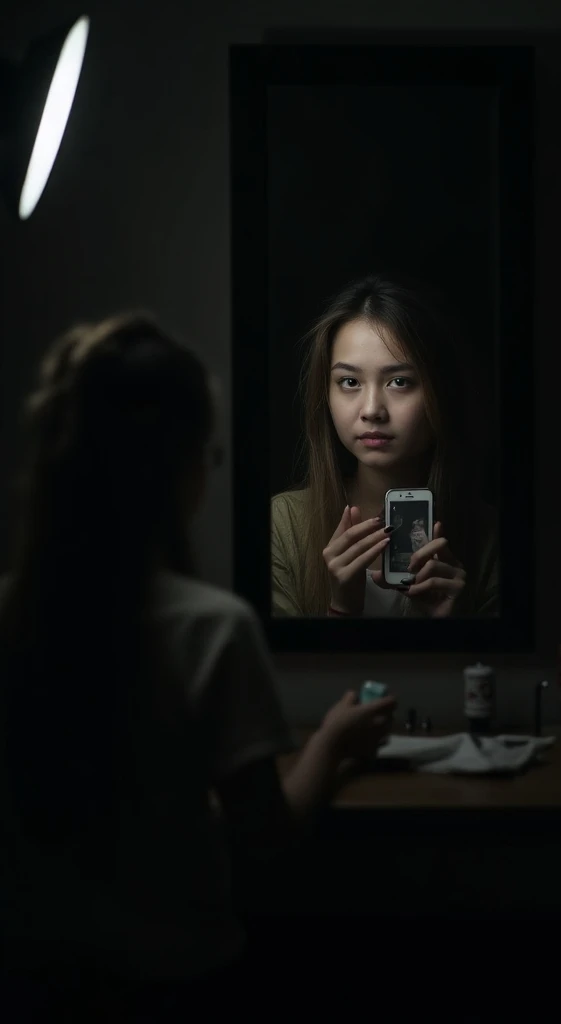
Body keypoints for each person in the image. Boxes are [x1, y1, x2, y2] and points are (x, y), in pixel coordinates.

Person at [0, 314, 396, 1021]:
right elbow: (266, 840)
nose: (373, 408)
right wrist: (333, 742)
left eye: (399, 380)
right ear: (180, 466)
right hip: (178, 981)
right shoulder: (210, 629)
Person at [271, 274, 499, 619]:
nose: (372, 410)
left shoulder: (489, 537)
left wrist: (447, 632)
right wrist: (341, 609)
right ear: (325, 393)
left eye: (399, 382)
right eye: (349, 382)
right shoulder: (284, 523)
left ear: (438, 392)